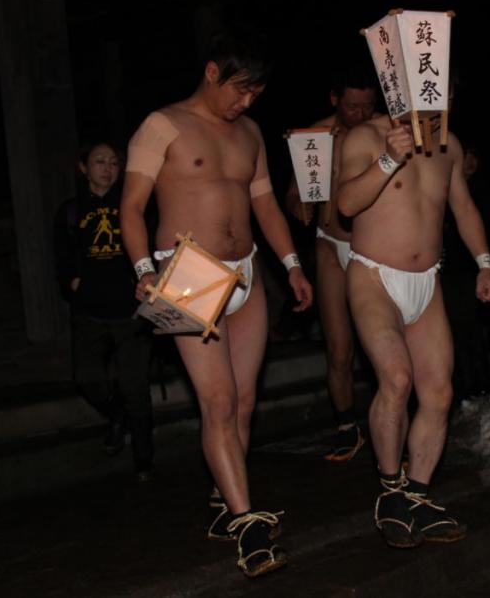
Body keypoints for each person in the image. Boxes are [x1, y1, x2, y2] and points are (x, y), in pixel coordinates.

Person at [120, 30, 312, 578]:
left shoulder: (249, 131)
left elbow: (268, 205)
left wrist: (293, 265)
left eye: (255, 92)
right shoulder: (162, 126)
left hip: (247, 270)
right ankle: (248, 526)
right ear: (211, 72)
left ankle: (222, 504)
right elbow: (130, 207)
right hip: (186, 275)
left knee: (245, 401)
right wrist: (145, 271)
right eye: (240, 89)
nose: (246, 102)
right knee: (220, 402)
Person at [336, 112, 490, 548]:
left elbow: (462, 207)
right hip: (373, 277)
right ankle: (390, 491)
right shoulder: (365, 136)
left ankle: (418, 494)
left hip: (427, 281)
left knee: (439, 393)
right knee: (396, 378)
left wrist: (484, 263)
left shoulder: (450, 143)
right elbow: (346, 204)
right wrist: (388, 160)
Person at [286, 68, 377, 462]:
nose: (360, 114)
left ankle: (393, 426)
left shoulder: (381, 135)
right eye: (352, 105)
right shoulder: (315, 138)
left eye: (368, 106)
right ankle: (346, 427)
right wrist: (299, 208)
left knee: (379, 346)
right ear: (334, 99)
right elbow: (293, 195)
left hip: (369, 250)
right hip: (328, 247)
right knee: (338, 346)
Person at [54, 142, 155, 481]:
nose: (107, 168)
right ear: (83, 167)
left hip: (130, 312)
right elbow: (61, 255)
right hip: (89, 311)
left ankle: (144, 461)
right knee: (87, 378)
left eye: (113, 162)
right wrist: (72, 282)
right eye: (99, 161)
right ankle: (117, 416)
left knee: (135, 387)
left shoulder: (131, 205)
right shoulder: (71, 210)